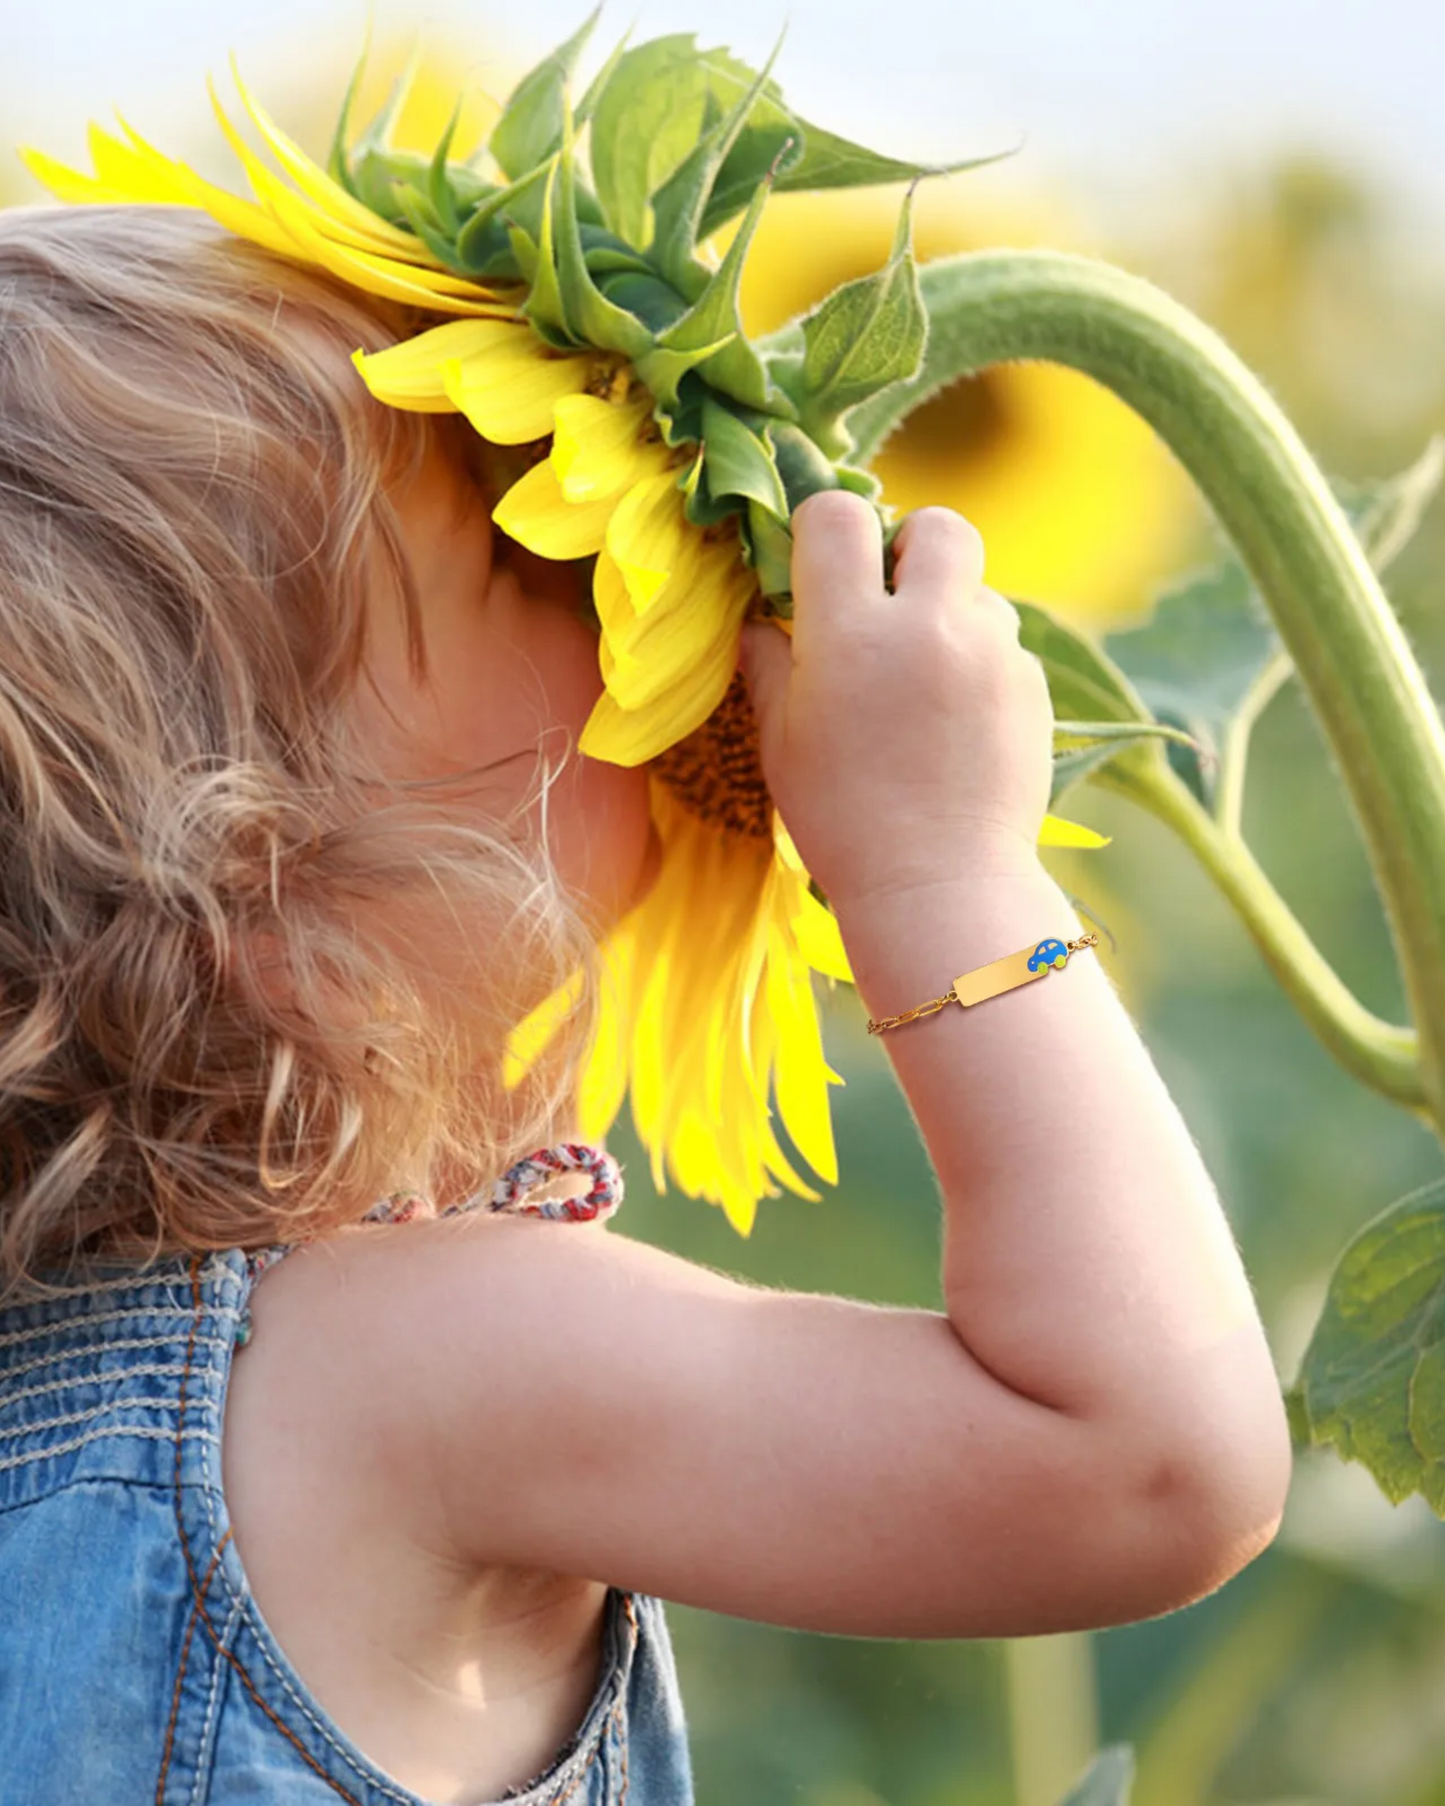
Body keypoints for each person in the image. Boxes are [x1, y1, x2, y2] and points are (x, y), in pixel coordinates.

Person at [0, 199, 1292, 1806]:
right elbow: (1149, 1464)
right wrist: (943, 875)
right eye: (518, 555)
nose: (615, 598)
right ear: (265, 891)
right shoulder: (412, 1364)